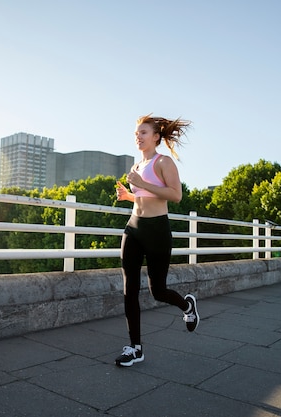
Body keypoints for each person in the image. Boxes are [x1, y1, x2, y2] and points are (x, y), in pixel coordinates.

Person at [114, 114, 199, 367]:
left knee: (157, 291)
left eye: (143, 133)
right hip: (133, 228)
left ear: (156, 137)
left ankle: (187, 305)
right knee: (129, 290)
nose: (138, 137)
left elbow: (175, 195)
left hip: (157, 230)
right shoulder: (136, 167)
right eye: (136, 134)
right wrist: (129, 196)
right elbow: (143, 197)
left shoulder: (164, 162)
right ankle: (135, 348)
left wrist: (141, 184)